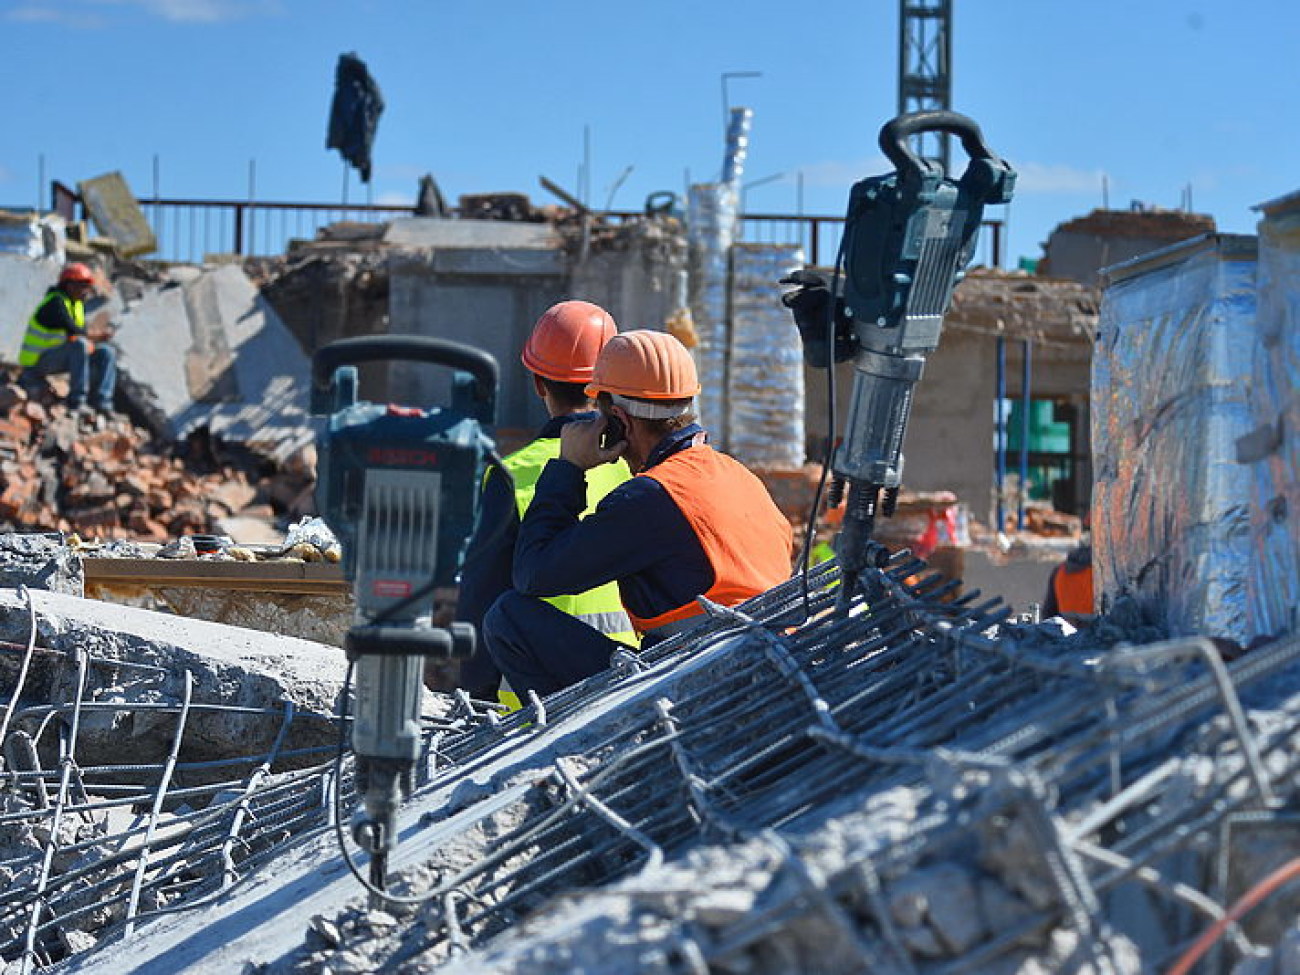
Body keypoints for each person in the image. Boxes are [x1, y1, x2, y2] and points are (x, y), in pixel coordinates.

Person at [483, 329, 794, 698]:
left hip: (699, 688)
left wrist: (568, 467)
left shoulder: (653, 496)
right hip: (763, 674)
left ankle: (579, 744)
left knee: (509, 617)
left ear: (620, 422)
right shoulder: (739, 477)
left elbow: (533, 575)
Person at [454, 301, 635, 704]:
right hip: (628, 686)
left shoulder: (510, 473)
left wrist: (474, 697)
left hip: (529, 705)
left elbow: (481, 596)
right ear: (606, 386)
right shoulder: (636, 469)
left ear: (538, 384)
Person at [20, 262, 117, 414]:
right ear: (70, 285)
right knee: (79, 344)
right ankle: (77, 402)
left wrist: (96, 341)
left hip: (57, 357)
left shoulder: (76, 305)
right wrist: (98, 336)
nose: (86, 291)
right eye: (83, 286)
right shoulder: (55, 302)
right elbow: (73, 330)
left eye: (87, 286)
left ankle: (103, 402)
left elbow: (77, 332)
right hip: (37, 362)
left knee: (107, 352)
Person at [1042, 538, 1094, 620]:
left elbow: (1049, 613)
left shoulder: (1060, 570)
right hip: (1096, 630)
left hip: (1065, 629)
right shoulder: (1102, 575)